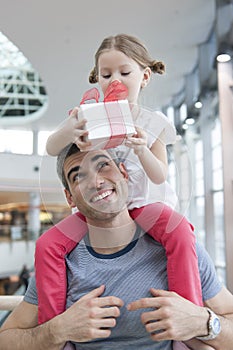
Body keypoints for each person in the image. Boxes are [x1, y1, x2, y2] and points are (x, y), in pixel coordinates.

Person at [35, 34, 203, 326]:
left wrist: (141, 148)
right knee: (47, 244)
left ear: (145, 76)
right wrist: (72, 132)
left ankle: (187, 318)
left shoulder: (154, 123)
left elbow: (160, 174)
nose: (116, 80)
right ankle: (54, 327)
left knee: (180, 233)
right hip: (100, 210)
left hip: (143, 204)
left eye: (125, 72)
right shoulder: (91, 115)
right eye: (106, 74)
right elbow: (51, 147)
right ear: (96, 78)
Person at [1, 144, 233, 350]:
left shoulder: (178, 250)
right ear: (69, 197)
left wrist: (203, 322)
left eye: (103, 165)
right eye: (78, 176)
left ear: (123, 173)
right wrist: (58, 329)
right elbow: (6, 339)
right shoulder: (61, 263)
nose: (95, 181)